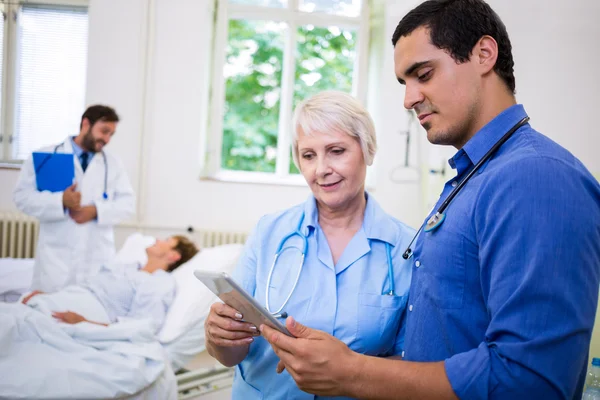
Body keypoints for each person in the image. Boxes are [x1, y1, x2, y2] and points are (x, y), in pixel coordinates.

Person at [260, 0, 600, 399]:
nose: (409, 99)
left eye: (423, 75)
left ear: (483, 55)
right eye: (404, 83)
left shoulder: (536, 176)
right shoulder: (473, 177)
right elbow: (445, 343)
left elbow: (528, 381)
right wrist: (335, 361)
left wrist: (353, 372)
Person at [204, 90, 415, 399]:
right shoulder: (269, 233)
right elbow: (230, 355)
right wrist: (218, 339)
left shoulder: (407, 248)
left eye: (336, 150)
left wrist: (348, 371)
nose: (321, 169)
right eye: (308, 155)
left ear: (368, 150)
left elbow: (413, 363)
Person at [13, 105, 136, 293]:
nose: (107, 139)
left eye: (111, 134)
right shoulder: (47, 157)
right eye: (104, 131)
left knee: (86, 312)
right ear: (86, 124)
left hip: (96, 259)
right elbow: (22, 197)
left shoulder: (113, 164)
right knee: (48, 314)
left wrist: (95, 210)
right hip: (55, 261)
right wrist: (60, 200)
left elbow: (128, 205)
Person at [22, 235, 198, 332]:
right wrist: (50, 295)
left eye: (167, 241)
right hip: (69, 299)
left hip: (86, 313)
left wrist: (85, 323)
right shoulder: (127, 267)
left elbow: (143, 325)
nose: (158, 239)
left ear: (174, 256)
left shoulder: (159, 282)